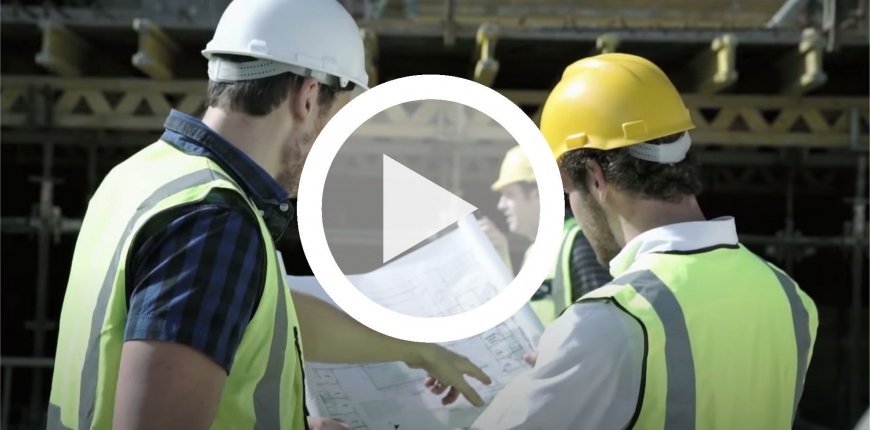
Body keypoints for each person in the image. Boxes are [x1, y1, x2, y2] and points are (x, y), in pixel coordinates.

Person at [46, 1, 491, 429]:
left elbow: (257, 312)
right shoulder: (214, 221)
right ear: (308, 97)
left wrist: (415, 349)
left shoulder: (142, 176)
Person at [448, 53, 820, 429]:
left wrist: (544, 376)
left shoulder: (610, 321)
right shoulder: (791, 298)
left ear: (595, 178)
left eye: (568, 191)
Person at [479, 146, 612, 326]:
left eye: (509, 195)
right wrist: (500, 257)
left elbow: (604, 323)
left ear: (538, 195)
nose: (501, 205)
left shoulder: (579, 243)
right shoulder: (533, 253)